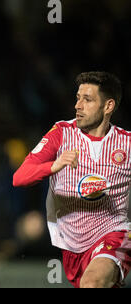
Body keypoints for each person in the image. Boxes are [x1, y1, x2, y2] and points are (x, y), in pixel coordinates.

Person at [13, 71, 131, 288]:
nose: (78, 105)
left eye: (87, 100)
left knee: (93, 282)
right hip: (72, 245)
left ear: (108, 106)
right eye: (78, 98)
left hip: (115, 234)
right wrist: (53, 166)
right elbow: (19, 177)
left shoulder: (127, 144)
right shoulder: (61, 133)